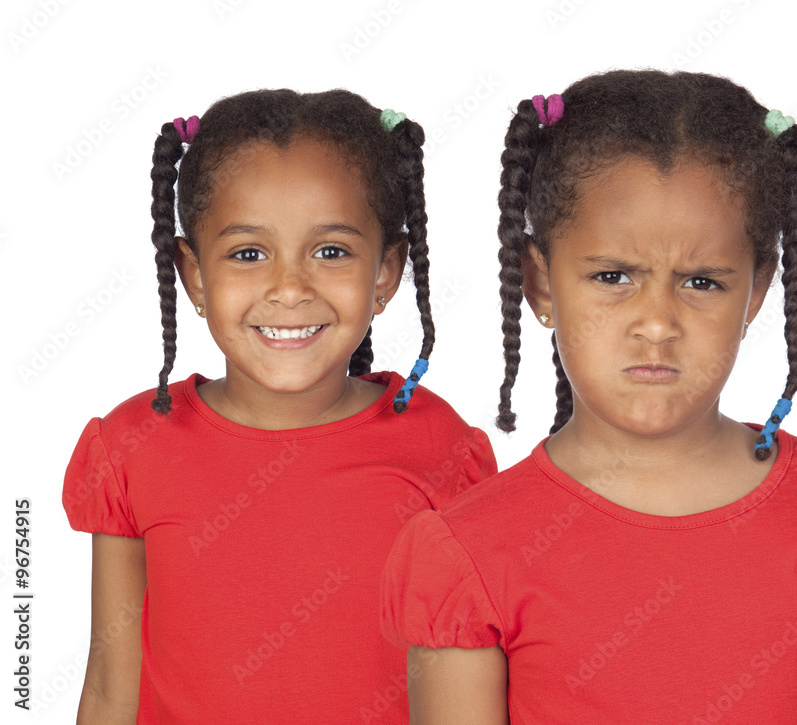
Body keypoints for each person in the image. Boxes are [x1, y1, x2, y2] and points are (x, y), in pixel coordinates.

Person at [381, 70, 797, 724]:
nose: (657, 321)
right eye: (613, 276)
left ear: (756, 290)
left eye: (701, 281)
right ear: (541, 283)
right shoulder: (467, 551)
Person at [63, 89, 497, 724]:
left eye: (331, 251)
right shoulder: (131, 447)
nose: (289, 288)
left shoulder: (441, 449)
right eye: (247, 254)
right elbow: (110, 686)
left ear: (386, 274)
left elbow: (468, 687)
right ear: (194, 276)